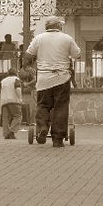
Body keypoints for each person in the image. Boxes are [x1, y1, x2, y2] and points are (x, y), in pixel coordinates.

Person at [23, 16, 81, 148]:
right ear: (59, 26)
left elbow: (27, 56)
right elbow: (77, 54)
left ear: (47, 27)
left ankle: (42, 127)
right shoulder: (67, 38)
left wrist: (27, 66)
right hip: (62, 78)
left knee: (43, 105)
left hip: (43, 78)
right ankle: (58, 139)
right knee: (60, 107)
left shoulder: (38, 38)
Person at [0, 67, 22, 139]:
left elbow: (0, 91)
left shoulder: (3, 81)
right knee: (18, 115)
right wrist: (20, 98)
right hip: (13, 100)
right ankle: (12, 131)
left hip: (4, 101)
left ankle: (6, 134)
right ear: (16, 73)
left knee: (5, 119)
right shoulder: (16, 79)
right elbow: (17, 89)